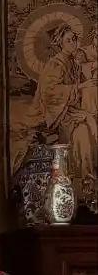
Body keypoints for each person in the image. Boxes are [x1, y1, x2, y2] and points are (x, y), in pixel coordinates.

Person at [29, 23, 98, 178]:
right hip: (60, 114)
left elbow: (83, 82)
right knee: (83, 133)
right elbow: (50, 92)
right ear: (60, 43)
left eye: (74, 39)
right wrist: (80, 86)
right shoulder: (55, 64)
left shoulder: (74, 62)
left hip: (73, 109)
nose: (73, 43)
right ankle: (86, 178)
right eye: (68, 40)